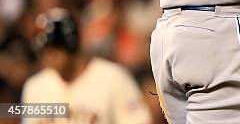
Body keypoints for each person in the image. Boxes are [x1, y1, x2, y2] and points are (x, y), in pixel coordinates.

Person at [22, 8, 152, 124]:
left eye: (54, 49)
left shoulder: (114, 79)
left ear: (71, 45)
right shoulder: (35, 87)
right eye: (44, 51)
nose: (48, 56)